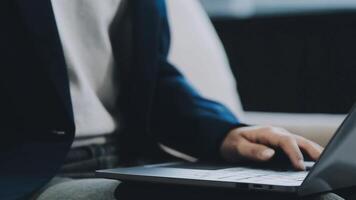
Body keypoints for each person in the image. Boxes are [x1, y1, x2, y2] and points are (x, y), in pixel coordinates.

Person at [0, 0, 345, 199]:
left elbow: (151, 77)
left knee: (320, 195)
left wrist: (224, 132)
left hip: (132, 161)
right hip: (33, 174)